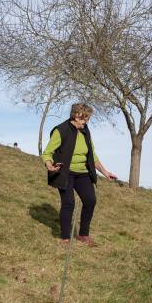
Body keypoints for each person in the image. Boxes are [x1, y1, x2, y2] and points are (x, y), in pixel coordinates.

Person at [41, 103, 117, 245]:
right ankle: (65, 237)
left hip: (83, 173)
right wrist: (49, 164)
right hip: (65, 173)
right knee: (69, 203)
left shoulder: (85, 130)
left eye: (87, 118)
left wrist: (105, 172)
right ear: (76, 116)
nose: (86, 121)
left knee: (90, 200)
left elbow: (92, 156)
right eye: (84, 118)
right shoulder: (61, 130)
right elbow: (47, 153)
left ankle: (83, 235)